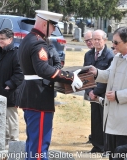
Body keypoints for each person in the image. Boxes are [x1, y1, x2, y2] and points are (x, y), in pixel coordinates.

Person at [18, 10, 83, 160]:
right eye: (53, 25)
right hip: (38, 97)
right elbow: (44, 70)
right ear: (45, 23)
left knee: (33, 144)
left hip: (31, 96)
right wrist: (70, 77)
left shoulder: (28, 39)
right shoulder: (38, 42)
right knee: (39, 147)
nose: (54, 29)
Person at [88, 27, 127, 160]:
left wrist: (117, 95)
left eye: (116, 42)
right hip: (112, 119)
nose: (113, 45)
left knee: (122, 156)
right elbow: (109, 74)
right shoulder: (117, 58)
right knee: (112, 155)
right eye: (113, 42)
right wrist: (96, 73)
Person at [0, 28, 24, 147]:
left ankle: (14, 143)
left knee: (11, 120)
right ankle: (3, 142)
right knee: (1, 119)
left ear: (10, 39)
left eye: (2, 39)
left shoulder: (16, 53)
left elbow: (20, 73)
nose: (0, 41)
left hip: (10, 92)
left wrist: (9, 85)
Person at [83, 29, 114, 153]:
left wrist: (95, 92)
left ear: (104, 40)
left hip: (103, 93)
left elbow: (108, 77)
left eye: (98, 39)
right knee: (95, 119)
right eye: (93, 39)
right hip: (92, 93)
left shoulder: (110, 55)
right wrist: (89, 91)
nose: (95, 42)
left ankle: (106, 147)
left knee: (104, 120)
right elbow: (85, 74)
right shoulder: (88, 55)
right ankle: (97, 145)